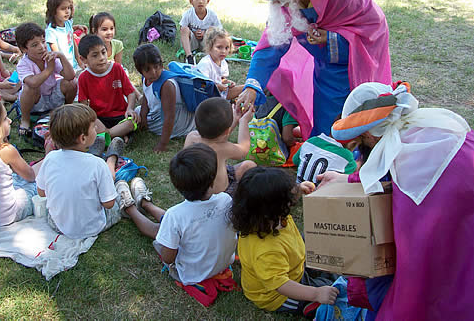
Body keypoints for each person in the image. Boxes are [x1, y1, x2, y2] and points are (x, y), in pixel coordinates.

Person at [320, 81, 474, 320]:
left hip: (463, 225)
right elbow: (381, 173)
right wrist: (346, 179)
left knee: (444, 282)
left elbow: (386, 184)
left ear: (370, 134)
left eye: (361, 140)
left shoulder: (399, 155)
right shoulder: (426, 125)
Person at [236, 0, 391, 140]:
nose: (281, 6)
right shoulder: (289, 3)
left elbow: (373, 29)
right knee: (324, 117)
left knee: (351, 117)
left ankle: (349, 159)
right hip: (325, 70)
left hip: (354, 66)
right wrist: (252, 86)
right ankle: (324, 152)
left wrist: (332, 37)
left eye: (282, 0)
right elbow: (269, 47)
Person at [117, 143, 238, 286]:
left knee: (164, 229)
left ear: (177, 186)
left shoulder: (176, 215)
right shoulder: (226, 200)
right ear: (212, 180)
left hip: (189, 274)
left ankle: (129, 208)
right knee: (175, 223)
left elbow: (168, 258)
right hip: (221, 265)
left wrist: (170, 241)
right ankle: (145, 203)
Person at [230, 167, 338, 316]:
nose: (291, 201)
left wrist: (299, 189)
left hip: (294, 262)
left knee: (331, 269)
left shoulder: (268, 218)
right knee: (334, 292)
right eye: (287, 198)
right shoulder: (267, 251)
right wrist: (316, 293)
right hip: (279, 295)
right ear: (274, 208)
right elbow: (281, 285)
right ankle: (309, 305)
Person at [36, 104, 128, 239]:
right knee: (118, 192)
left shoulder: (50, 159)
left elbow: (41, 192)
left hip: (58, 225)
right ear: (83, 138)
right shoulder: (97, 165)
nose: (96, 128)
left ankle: (94, 152)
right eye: (93, 127)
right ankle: (112, 159)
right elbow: (109, 204)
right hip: (92, 227)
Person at [15, 22, 77, 137]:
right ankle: (25, 120)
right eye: (34, 45)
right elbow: (33, 83)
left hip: (52, 97)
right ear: (24, 49)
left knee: (72, 83)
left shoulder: (49, 57)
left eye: (43, 42)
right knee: (29, 88)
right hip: (35, 102)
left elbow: (70, 76)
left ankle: (67, 109)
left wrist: (61, 56)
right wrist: (49, 69)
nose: (42, 47)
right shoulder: (23, 64)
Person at [184, 97, 256, 195]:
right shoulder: (223, 148)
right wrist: (243, 121)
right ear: (227, 130)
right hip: (218, 196)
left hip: (195, 190)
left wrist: (234, 120)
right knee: (250, 165)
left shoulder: (192, 137)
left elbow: (218, 136)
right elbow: (244, 149)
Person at [133, 43, 195, 152]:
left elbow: (169, 116)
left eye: (156, 67)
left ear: (161, 64)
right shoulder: (146, 78)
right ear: (140, 71)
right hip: (160, 113)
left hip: (177, 123)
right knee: (137, 113)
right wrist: (143, 115)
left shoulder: (167, 85)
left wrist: (162, 144)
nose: (153, 72)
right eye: (148, 69)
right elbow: (147, 96)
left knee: (134, 119)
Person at [78, 35, 138, 143]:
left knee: (132, 122)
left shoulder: (117, 68)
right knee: (89, 123)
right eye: (95, 55)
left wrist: (130, 109)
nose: (101, 58)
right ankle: (117, 135)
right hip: (99, 118)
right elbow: (83, 107)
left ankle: (106, 136)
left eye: (103, 52)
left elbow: (131, 93)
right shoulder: (83, 77)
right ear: (83, 59)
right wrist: (92, 119)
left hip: (121, 115)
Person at [293, 130, 357, 185]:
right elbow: (351, 177)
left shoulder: (310, 141)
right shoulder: (347, 156)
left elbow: (295, 160)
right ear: (353, 143)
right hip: (322, 195)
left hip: (299, 190)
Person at [196, 28, 244, 100]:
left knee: (246, 88)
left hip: (220, 94)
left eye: (226, 48)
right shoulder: (205, 64)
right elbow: (201, 85)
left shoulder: (223, 62)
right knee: (245, 88)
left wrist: (227, 82)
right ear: (210, 47)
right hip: (207, 97)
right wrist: (217, 87)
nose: (223, 51)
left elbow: (221, 79)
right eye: (219, 47)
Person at [179, 0, 222, 65]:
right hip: (192, 42)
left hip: (206, 42)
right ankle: (189, 57)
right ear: (191, 1)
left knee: (213, 29)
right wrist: (193, 32)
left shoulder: (212, 15)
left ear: (208, 1)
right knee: (184, 29)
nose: (200, 2)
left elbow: (220, 30)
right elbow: (182, 29)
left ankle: (209, 55)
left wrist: (205, 32)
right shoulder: (188, 14)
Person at [45, 0, 82, 73]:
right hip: (61, 69)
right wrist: (66, 71)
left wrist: (79, 61)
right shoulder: (51, 31)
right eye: (63, 9)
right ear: (53, 11)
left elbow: (73, 43)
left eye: (68, 8)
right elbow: (57, 55)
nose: (67, 11)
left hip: (73, 65)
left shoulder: (68, 23)